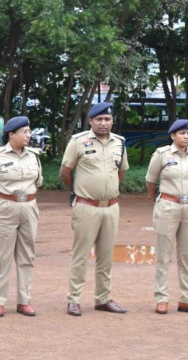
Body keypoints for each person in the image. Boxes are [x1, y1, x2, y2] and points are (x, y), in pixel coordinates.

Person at [59, 102, 129, 316]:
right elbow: (65, 172)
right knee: (80, 255)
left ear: (112, 121)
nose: (103, 123)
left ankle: (103, 299)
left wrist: (110, 191)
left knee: (106, 257)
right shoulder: (78, 141)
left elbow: (121, 172)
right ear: (90, 121)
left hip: (111, 208)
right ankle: (74, 299)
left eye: (107, 119)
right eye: (99, 119)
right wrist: (78, 191)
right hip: (86, 207)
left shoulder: (120, 143)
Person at [0, 116, 43, 317]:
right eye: (24, 132)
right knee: (1, 257)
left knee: (27, 256)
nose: (28, 135)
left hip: (28, 207)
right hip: (4, 208)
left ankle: (24, 301)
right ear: (11, 134)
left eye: (29, 131)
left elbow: (38, 183)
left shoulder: (34, 156)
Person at [145, 119, 188, 315]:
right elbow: (150, 181)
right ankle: (161, 299)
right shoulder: (161, 154)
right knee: (163, 255)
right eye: (182, 133)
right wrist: (158, 201)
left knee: (186, 256)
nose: (186, 137)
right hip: (168, 206)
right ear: (173, 135)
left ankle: (187, 300)